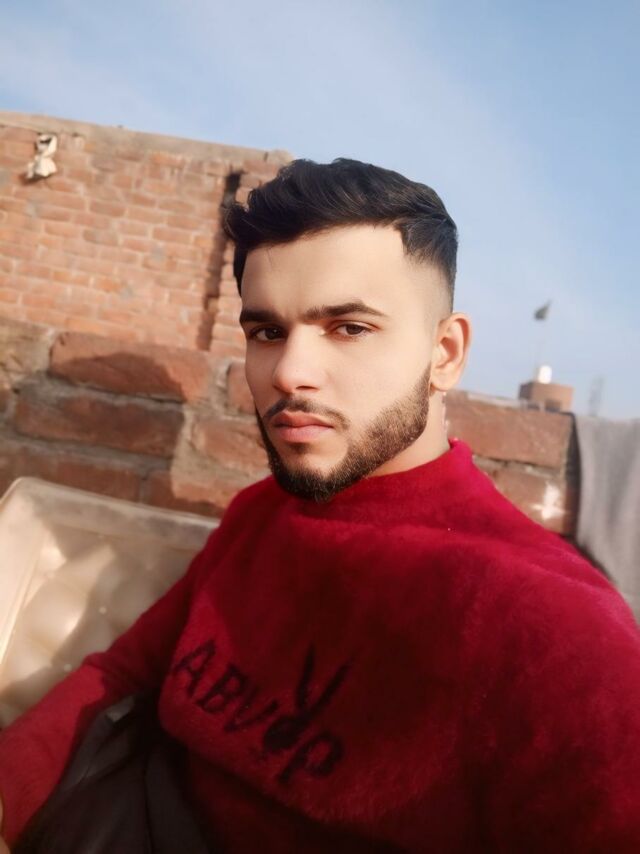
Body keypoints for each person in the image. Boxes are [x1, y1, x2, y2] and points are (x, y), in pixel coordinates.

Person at [1, 158, 639, 852]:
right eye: (267, 332)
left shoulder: (560, 634)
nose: (289, 373)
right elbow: (124, 671)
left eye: (349, 327)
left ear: (445, 353)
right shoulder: (261, 513)